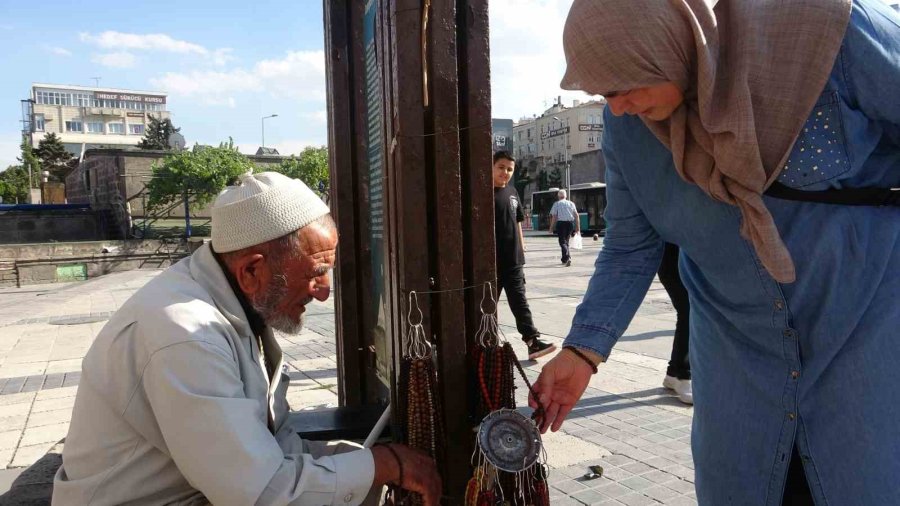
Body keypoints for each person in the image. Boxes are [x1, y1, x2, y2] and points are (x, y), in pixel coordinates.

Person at [531, 0, 900, 504]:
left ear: (664, 42)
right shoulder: (630, 129)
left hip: (865, 339)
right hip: (737, 365)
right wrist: (582, 351)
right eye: (602, 94)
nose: (615, 108)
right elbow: (630, 246)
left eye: (622, 86)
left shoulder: (826, 30)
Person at [53, 172, 441, 506]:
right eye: (315, 273)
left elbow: (276, 450)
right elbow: (261, 493)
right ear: (252, 271)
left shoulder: (235, 303)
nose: (324, 292)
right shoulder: (184, 335)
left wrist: (366, 462)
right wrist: (385, 464)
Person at [492, 151, 556, 360]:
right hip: (491, 262)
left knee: (520, 302)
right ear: (491, 167)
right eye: (501, 167)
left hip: (514, 259)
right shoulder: (481, 192)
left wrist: (522, 245)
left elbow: (518, 220)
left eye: (510, 169)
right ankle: (484, 344)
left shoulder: (512, 192)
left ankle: (532, 342)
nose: (505, 172)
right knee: (486, 306)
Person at [657, 243, 692, 405]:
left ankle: (673, 374)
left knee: (689, 312)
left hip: (690, 254)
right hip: (673, 254)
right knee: (689, 312)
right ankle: (683, 375)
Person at [548, 189, 580, 266]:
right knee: (566, 242)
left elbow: (554, 217)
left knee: (562, 242)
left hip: (561, 224)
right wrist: (578, 228)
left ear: (558, 196)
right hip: (570, 224)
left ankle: (568, 257)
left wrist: (551, 228)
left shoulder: (556, 204)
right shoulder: (571, 203)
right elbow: (576, 215)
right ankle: (564, 259)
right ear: (565, 196)